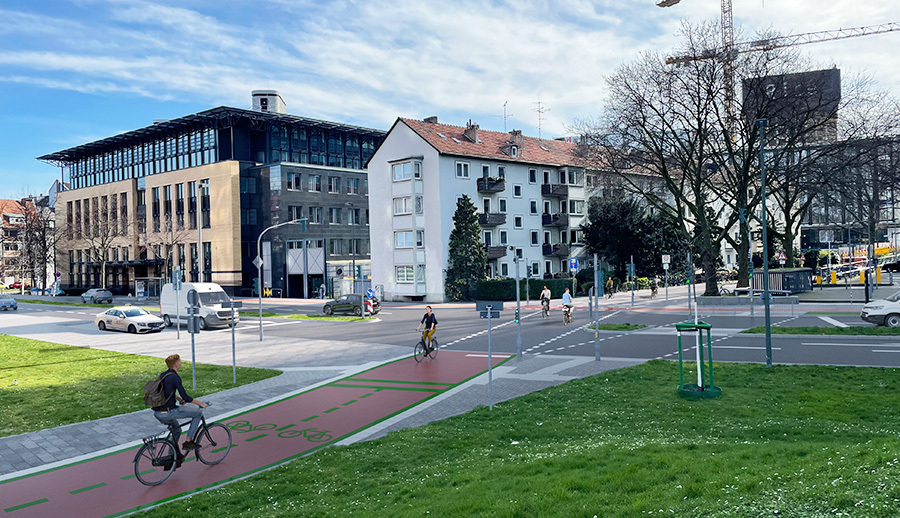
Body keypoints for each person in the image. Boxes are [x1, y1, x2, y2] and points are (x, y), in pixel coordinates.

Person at [151, 354, 208, 466]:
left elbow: (167, 392)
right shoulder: (175, 377)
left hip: (158, 413)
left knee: (177, 430)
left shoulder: (163, 375)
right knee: (197, 414)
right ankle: (188, 441)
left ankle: (172, 457)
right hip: (169, 412)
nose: (181, 363)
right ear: (176, 364)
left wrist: (179, 399)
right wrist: (200, 403)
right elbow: (187, 397)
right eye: (180, 361)